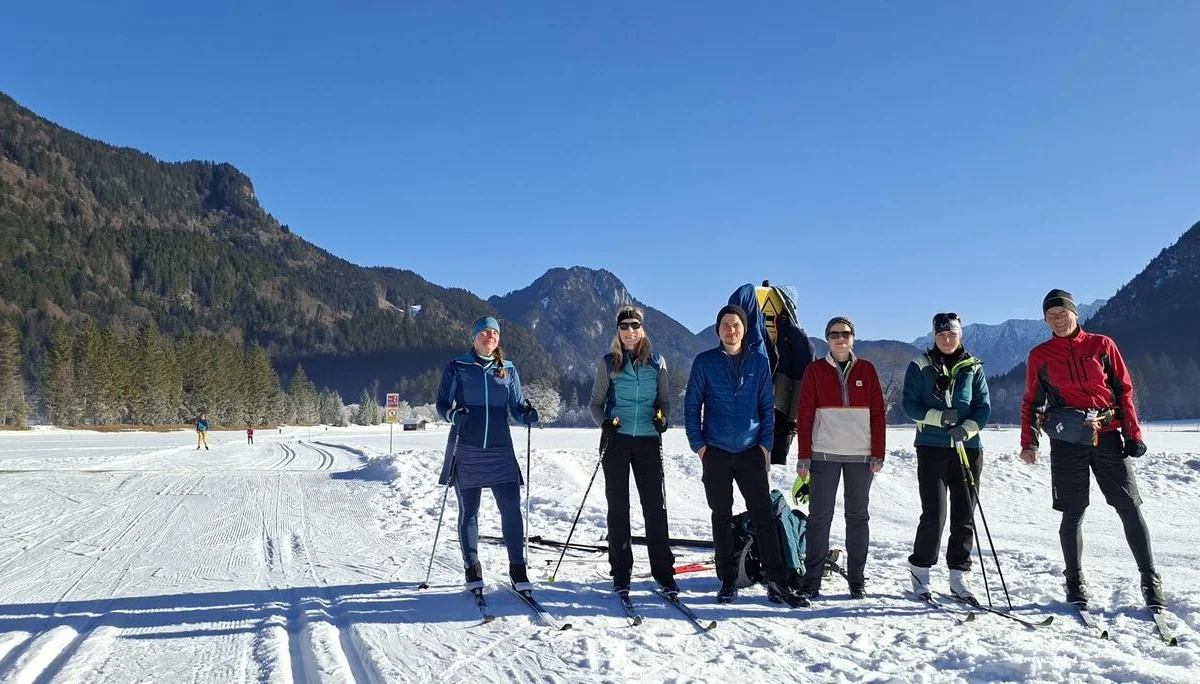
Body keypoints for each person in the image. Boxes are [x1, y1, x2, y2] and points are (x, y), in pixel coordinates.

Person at [1019, 289, 1165, 608]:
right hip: (1067, 441)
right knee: (1073, 513)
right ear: (1045, 320)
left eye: (1063, 313)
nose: (1058, 320)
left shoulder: (1101, 345)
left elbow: (1124, 390)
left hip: (1109, 434)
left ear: (1075, 314)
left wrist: (1133, 434)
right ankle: (1074, 581)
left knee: (1129, 506)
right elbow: (1031, 402)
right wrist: (1028, 442)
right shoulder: (1040, 355)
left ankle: (1150, 579)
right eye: (1051, 316)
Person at [685, 295, 807, 607]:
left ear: (744, 329)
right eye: (725, 326)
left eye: (736, 325)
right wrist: (700, 447)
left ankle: (778, 582)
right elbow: (691, 408)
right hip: (716, 453)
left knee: (764, 517)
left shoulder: (759, 362)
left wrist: (766, 446)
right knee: (721, 517)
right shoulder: (705, 362)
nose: (731, 330)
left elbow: (768, 408)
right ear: (718, 331)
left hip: (752, 451)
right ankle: (727, 581)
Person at [436, 316, 540, 597]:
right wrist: (453, 415)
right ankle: (472, 567)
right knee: (469, 512)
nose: (489, 336)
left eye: (494, 332)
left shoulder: (508, 370)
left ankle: (518, 568)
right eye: (483, 332)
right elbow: (442, 404)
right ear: (474, 337)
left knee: (511, 508)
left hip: (499, 450)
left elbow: (516, 407)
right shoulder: (458, 367)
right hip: (466, 447)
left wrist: (526, 415)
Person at [588, 306, 677, 597]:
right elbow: (595, 404)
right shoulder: (608, 363)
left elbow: (664, 401)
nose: (629, 331)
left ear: (642, 329)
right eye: (624, 326)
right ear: (618, 331)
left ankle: (664, 572)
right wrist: (604, 423)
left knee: (655, 508)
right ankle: (621, 572)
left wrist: (662, 418)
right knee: (618, 508)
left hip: (648, 441)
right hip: (617, 440)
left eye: (634, 326)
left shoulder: (656, 362)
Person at [901, 313, 991, 601]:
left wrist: (967, 428)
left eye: (952, 334)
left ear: (960, 335)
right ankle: (921, 571)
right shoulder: (920, 366)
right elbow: (910, 405)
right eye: (941, 335)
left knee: (964, 513)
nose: (947, 340)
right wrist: (939, 418)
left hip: (968, 447)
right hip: (932, 446)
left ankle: (958, 576)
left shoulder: (973, 367)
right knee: (935, 513)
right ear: (934, 337)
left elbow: (983, 406)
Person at [796, 316, 885, 600]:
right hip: (824, 454)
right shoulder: (814, 371)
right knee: (819, 518)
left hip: (861, 456)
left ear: (853, 337)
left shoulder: (867, 370)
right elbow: (805, 413)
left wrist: (878, 452)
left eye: (845, 334)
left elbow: (878, 414)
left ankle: (856, 580)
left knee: (857, 517)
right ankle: (812, 581)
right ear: (827, 338)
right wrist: (803, 456)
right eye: (834, 334)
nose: (840, 338)